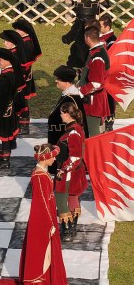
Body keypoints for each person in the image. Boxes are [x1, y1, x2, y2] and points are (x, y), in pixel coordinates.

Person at [0, 144, 68, 285]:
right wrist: (49, 224)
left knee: (45, 251)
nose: (55, 158)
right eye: (53, 156)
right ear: (45, 158)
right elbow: (41, 203)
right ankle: (41, 284)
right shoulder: (40, 177)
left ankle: (47, 282)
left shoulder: (42, 173)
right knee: (42, 251)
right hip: (42, 220)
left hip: (46, 217)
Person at [54, 102, 88, 243]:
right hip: (76, 172)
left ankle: (67, 230)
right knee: (73, 197)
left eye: (61, 113)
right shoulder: (77, 128)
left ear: (67, 114)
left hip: (68, 173)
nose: (60, 116)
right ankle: (72, 227)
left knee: (61, 200)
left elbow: (74, 157)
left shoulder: (72, 133)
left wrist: (62, 170)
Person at [0, 48, 22, 171]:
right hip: (8, 110)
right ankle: (4, 160)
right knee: (6, 138)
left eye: (0, 59)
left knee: (5, 137)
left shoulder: (7, 77)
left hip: (3, 112)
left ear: (8, 61)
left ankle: (4, 162)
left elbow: (1, 99)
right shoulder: (10, 73)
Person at [78, 25, 110, 137]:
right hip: (96, 99)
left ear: (87, 38)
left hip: (94, 101)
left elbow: (96, 83)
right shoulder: (98, 51)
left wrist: (80, 91)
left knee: (94, 133)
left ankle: (95, 154)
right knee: (96, 130)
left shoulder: (97, 56)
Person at [99, 15, 117, 131]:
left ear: (107, 26)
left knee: (109, 99)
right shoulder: (101, 37)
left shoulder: (112, 40)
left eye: (100, 25)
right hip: (101, 74)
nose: (98, 27)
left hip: (109, 75)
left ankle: (109, 124)